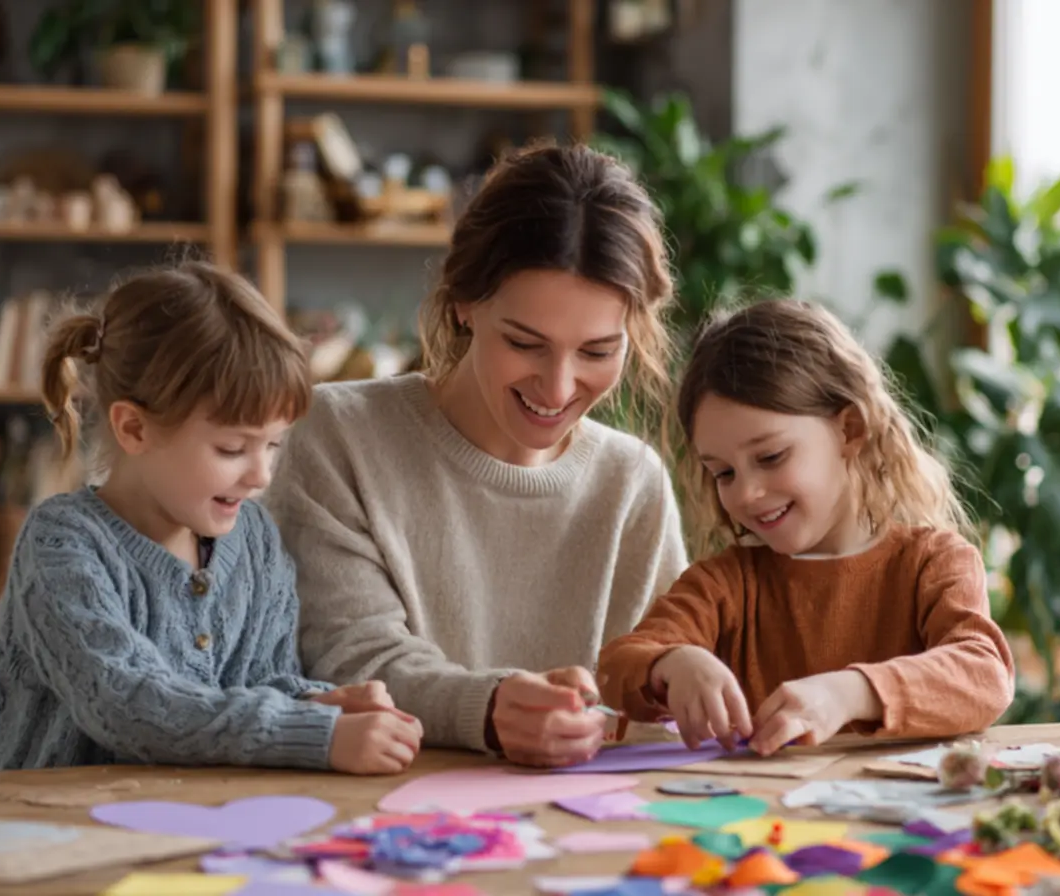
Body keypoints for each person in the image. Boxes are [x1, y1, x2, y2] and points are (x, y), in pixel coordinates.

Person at [264, 143, 688, 768]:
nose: (559, 387)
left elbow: (663, 676)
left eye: (598, 352)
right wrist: (487, 708)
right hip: (378, 825)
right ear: (464, 303)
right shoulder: (336, 434)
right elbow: (350, 659)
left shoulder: (633, 483)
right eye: (525, 343)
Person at [0, 261, 422, 775]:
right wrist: (314, 733)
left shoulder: (253, 539)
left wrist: (320, 702)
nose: (261, 475)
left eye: (273, 445)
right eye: (233, 448)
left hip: (181, 825)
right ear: (134, 429)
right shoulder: (61, 544)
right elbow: (129, 705)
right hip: (39, 833)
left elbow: (259, 682)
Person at [597, 300, 1015, 755]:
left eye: (771, 457)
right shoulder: (726, 583)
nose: (746, 493)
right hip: (762, 822)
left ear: (850, 430)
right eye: (724, 473)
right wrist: (672, 661)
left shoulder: (934, 562)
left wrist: (849, 694)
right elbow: (617, 667)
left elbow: (983, 674)